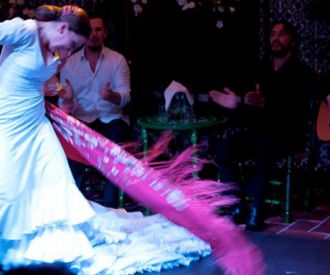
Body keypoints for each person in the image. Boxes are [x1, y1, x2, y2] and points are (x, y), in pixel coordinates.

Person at [0, 4, 214, 274]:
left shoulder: (58, 47)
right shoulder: (24, 30)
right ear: (63, 28)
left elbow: (43, 82)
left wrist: (56, 90)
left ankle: (50, 243)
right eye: (70, 45)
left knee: (54, 183)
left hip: (36, 124)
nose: (66, 53)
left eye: (71, 49)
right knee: (8, 187)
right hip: (7, 123)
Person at [209, 21, 314, 231]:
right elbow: (251, 105)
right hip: (259, 133)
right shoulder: (261, 69)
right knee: (225, 146)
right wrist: (236, 102)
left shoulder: (301, 72)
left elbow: (295, 111)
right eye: (273, 34)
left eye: (282, 34)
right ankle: (237, 204)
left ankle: (257, 206)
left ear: (292, 40)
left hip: (288, 135)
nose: (276, 38)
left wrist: (265, 103)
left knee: (264, 142)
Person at [58, 14, 131, 208]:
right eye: (90, 30)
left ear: (105, 33)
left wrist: (111, 95)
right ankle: (77, 204)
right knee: (68, 140)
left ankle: (111, 203)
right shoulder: (70, 63)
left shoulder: (117, 60)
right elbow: (64, 102)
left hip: (110, 118)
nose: (93, 34)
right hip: (82, 120)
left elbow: (125, 95)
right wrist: (68, 100)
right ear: (83, 34)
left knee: (118, 134)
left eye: (98, 29)